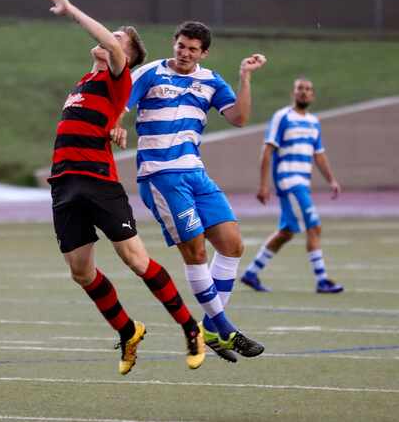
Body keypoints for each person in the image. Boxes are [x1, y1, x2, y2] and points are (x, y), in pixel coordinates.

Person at [41, 0, 205, 375]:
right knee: (80, 272)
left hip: (98, 182)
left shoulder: (118, 77)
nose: (109, 38)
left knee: (135, 259)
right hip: (64, 185)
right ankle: (129, 331)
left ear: (125, 57)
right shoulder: (83, 82)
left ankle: (190, 327)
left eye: (117, 38)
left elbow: (113, 50)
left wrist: (70, 9)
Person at [120, 21, 266, 363]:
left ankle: (213, 328)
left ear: (204, 53)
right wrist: (115, 124)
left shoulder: (211, 81)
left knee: (232, 244)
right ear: (174, 43)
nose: (185, 53)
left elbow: (240, 118)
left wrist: (245, 76)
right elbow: (122, 105)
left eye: (193, 49)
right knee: (196, 250)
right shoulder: (149, 73)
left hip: (196, 174)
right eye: (181, 45)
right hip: (161, 175)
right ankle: (224, 327)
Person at [241, 78, 343, 294]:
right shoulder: (282, 117)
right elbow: (267, 151)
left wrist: (331, 180)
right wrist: (263, 185)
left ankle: (251, 273)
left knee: (286, 232)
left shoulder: (314, 122)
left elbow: (319, 155)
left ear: (313, 95)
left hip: (302, 183)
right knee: (314, 226)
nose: (304, 93)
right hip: (289, 181)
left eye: (308, 90)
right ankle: (322, 279)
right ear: (293, 93)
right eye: (300, 89)